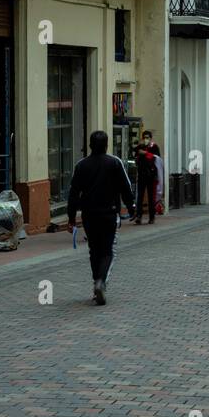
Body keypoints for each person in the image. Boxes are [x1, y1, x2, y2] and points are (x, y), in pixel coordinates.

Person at [67, 130, 135, 306]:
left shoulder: (81, 165)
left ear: (89, 145)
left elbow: (73, 193)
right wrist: (132, 207)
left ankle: (96, 280)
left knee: (93, 250)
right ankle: (101, 281)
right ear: (106, 145)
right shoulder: (114, 162)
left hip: (89, 215)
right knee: (107, 251)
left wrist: (71, 218)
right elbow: (125, 187)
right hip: (109, 214)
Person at [133, 129, 161, 225]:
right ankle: (139, 216)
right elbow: (135, 155)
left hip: (151, 175)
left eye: (147, 138)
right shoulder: (140, 147)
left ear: (150, 138)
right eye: (144, 138)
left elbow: (157, 158)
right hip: (141, 174)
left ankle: (152, 217)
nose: (146, 139)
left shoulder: (154, 147)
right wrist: (139, 150)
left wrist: (146, 153)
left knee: (151, 196)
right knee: (140, 196)